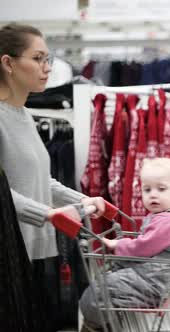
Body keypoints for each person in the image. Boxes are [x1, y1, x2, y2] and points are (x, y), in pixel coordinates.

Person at [0, 23, 107, 331]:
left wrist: (83, 199)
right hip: (11, 251)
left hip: (37, 248)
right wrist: (47, 214)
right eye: (37, 59)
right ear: (8, 63)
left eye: (48, 59)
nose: (47, 68)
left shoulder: (23, 115)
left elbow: (41, 178)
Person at [79, 157, 170, 331]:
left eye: (161, 189)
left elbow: (143, 247)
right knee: (103, 287)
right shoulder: (164, 217)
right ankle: (102, 325)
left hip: (149, 284)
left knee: (98, 292)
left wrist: (117, 244)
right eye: (147, 189)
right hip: (147, 280)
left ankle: (94, 327)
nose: (153, 194)